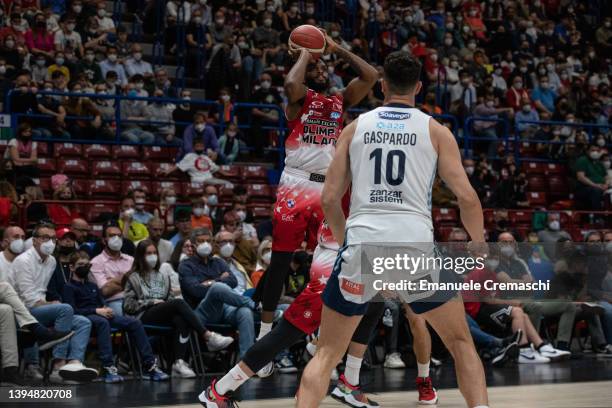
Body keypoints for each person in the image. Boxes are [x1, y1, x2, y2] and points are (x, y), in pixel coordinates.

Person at [297, 51, 489, 408]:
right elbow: (468, 197)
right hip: (414, 247)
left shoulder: (355, 128)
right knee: (461, 344)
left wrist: (344, 243)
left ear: (382, 85)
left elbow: (328, 199)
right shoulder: (436, 131)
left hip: (363, 244)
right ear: (417, 87)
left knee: (325, 355)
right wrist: (478, 244)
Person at [258, 29, 378, 345]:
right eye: (318, 67)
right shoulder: (297, 102)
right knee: (281, 262)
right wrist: (305, 54)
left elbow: (371, 75)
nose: (323, 69)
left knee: (330, 261)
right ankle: (265, 332)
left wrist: (337, 48)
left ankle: (321, 327)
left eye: (324, 67)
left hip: (329, 190)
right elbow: (290, 85)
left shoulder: (339, 100)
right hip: (296, 184)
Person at [199, 221, 385, 408]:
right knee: (287, 333)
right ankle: (219, 391)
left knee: (375, 304)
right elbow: (329, 202)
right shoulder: (339, 197)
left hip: (357, 257)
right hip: (337, 261)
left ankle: (348, 382)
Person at [124, 240, 233, 377]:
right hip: (143, 315)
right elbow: (127, 305)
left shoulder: (163, 276)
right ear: (140, 256)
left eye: (154, 253)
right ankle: (208, 336)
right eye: (148, 253)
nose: (152, 256)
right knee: (178, 303)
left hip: (163, 314)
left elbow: (169, 299)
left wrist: (164, 304)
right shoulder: (133, 277)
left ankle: (179, 363)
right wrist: (151, 302)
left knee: (181, 318)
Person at [63, 250, 169, 382]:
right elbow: (71, 311)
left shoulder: (92, 285)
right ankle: (108, 367)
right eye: (80, 264)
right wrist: (96, 311)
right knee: (103, 323)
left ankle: (150, 365)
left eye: (87, 264)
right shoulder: (69, 287)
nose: (85, 267)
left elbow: (101, 302)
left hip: (100, 315)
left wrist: (106, 308)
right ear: (72, 267)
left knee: (134, 322)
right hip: (86, 318)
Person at [11, 223, 98, 383]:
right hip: (23, 311)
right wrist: (51, 305)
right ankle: (58, 364)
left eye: (52, 238)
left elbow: (46, 290)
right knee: (65, 309)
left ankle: (74, 363)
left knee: (83, 322)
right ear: (35, 241)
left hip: (41, 308)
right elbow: (29, 299)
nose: (50, 242)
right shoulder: (23, 261)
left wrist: (51, 303)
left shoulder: (51, 261)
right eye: (45, 238)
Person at [179, 228, 255, 359]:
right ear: (193, 244)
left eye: (208, 241)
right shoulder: (186, 265)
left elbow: (233, 281)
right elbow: (195, 291)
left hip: (224, 309)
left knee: (245, 312)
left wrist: (208, 283)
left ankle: (246, 363)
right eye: (201, 241)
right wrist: (218, 280)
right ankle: (255, 305)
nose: (205, 244)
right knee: (218, 287)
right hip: (200, 312)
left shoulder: (218, 262)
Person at [90, 223, 134, 317]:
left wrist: (112, 281)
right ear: (103, 240)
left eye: (119, 236)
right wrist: (127, 278)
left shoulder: (131, 260)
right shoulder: (96, 262)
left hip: (135, 299)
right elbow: (105, 291)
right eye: (112, 236)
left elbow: (140, 284)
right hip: (113, 302)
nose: (116, 239)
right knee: (123, 313)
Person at [163, 139, 233, 186]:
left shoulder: (205, 157)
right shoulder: (189, 156)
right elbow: (179, 165)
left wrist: (226, 174)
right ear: (193, 147)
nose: (200, 148)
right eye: (197, 146)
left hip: (210, 179)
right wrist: (168, 171)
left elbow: (216, 168)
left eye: (201, 146)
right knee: (223, 183)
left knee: (229, 184)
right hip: (198, 180)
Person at [575, 144, 608, 210]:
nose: (595, 152)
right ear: (587, 151)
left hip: (601, 186)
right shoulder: (582, 160)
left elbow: (606, 177)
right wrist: (595, 185)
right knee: (595, 191)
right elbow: (580, 177)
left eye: (597, 151)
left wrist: (606, 185)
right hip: (584, 188)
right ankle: (597, 216)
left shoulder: (599, 163)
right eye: (593, 150)